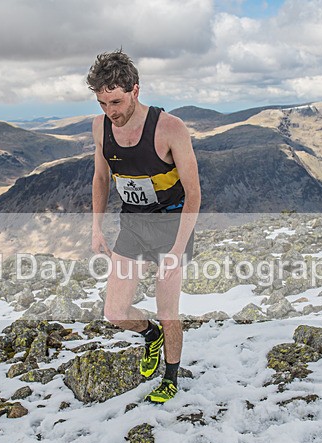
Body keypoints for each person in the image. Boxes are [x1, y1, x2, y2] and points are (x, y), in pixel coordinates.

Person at [87, 50, 201, 404]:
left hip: (171, 223)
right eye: (103, 103)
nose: (111, 112)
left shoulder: (170, 128)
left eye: (116, 102)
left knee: (168, 310)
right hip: (133, 223)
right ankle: (149, 335)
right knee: (115, 312)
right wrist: (96, 228)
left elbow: (195, 194)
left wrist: (178, 249)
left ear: (135, 90)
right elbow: (101, 178)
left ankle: (171, 376)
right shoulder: (100, 126)